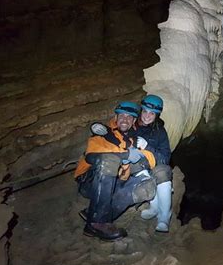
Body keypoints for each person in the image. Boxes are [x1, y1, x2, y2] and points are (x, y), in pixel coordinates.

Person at [74, 101, 157, 241]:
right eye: (122, 116)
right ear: (116, 117)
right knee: (110, 160)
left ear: (134, 121)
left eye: (129, 117)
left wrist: (142, 153)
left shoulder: (133, 140)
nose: (125, 119)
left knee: (147, 186)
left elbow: (151, 160)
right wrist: (124, 156)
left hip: (114, 182)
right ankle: (97, 222)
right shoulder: (103, 133)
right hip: (90, 181)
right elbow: (92, 157)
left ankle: (93, 214)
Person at [129, 94, 173, 233]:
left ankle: (164, 216)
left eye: (152, 113)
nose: (147, 116)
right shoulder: (131, 126)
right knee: (140, 170)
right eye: (145, 111)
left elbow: (165, 158)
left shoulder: (160, 132)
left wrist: (147, 146)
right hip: (137, 166)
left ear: (157, 115)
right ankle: (154, 207)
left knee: (162, 173)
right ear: (140, 111)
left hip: (154, 164)